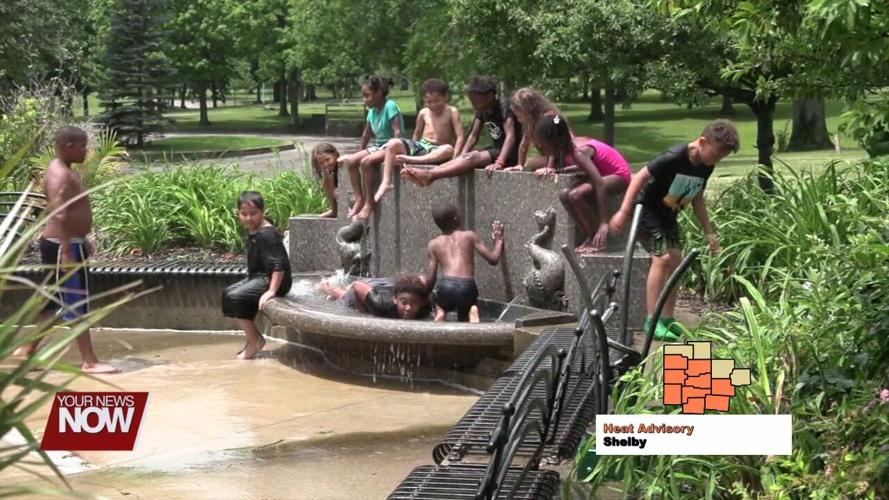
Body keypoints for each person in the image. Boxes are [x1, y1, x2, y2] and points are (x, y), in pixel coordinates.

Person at [609, 119, 740, 340]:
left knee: (677, 262)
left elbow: (697, 196)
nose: (716, 160)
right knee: (661, 259)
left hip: (669, 213)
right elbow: (639, 177)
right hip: (646, 210)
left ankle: (667, 319)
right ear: (701, 142)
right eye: (716, 154)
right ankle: (652, 319)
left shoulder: (706, 165)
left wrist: (709, 231)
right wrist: (623, 211)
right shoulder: (673, 157)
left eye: (721, 157)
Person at [13, 126, 119, 374]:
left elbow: (70, 212)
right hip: (63, 247)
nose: (86, 151)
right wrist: (67, 250)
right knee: (75, 302)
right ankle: (89, 361)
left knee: (54, 302)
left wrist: (82, 237)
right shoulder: (59, 173)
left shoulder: (62, 170)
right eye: (82, 146)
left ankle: (27, 349)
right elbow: (58, 214)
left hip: (67, 243)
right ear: (67, 146)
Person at [533, 114, 632, 253]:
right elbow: (590, 164)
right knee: (564, 194)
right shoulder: (570, 146)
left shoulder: (579, 152)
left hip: (619, 174)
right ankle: (590, 236)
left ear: (555, 140)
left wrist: (604, 223)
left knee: (576, 195)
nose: (542, 147)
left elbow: (599, 184)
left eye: (545, 143)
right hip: (603, 172)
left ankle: (600, 239)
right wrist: (566, 170)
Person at [402, 76, 520, 187]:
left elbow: (510, 137)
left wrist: (500, 162)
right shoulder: (482, 109)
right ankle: (429, 173)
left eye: (476, 101)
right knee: (467, 156)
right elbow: (473, 136)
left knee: (474, 157)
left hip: (510, 153)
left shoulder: (504, 106)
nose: (473, 104)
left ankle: (431, 175)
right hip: (496, 150)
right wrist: (461, 155)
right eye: (472, 100)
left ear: (489, 96)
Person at [222, 191, 293, 359]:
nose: (248, 218)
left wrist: (272, 290)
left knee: (234, 297)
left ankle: (255, 340)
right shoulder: (255, 230)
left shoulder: (266, 234)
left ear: (263, 211)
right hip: (261, 277)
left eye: (253, 214)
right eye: (244, 214)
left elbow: (279, 264)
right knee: (227, 294)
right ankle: (253, 339)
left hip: (274, 280)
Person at [424, 202, 504, 322]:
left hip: (446, 286)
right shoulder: (469, 236)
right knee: (467, 313)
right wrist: (498, 241)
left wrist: (425, 295)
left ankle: (441, 313)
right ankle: (471, 316)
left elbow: (432, 278)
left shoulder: (433, 244)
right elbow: (493, 259)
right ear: (456, 217)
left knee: (441, 306)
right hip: (467, 287)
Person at [339, 75, 405, 220]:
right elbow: (367, 134)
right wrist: (358, 153)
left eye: (367, 96)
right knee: (352, 162)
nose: (364, 100)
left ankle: (369, 203)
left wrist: (395, 153)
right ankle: (359, 199)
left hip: (392, 146)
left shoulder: (390, 106)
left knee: (366, 162)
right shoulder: (372, 111)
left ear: (379, 93)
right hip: (379, 145)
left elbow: (397, 131)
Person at [393, 78, 465, 166]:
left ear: (445, 97)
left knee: (448, 149)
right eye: (429, 102)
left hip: (438, 149)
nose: (434, 105)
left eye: (437, 101)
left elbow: (460, 137)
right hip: (422, 147)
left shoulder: (452, 112)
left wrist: (455, 157)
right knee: (395, 143)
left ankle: (415, 160)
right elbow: (417, 134)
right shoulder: (423, 113)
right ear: (424, 100)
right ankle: (413, 158)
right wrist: (412, 147)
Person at [317, 274, 431, 319]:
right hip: (366, 286)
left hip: (386, 284)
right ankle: (326, 287)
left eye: (414, 303)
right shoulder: (381, 305)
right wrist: (365, 313)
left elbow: (424, 279)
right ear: (396, 300)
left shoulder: (427, 306)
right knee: (345, 296)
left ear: (421, 302)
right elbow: (357, 286)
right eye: (404, 303)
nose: (409, 308)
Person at [505, 87, 565, 172]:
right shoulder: (531, 122)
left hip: (564, 157)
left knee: (530, 163)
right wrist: (519, 164)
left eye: (520, 115)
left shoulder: (551, 119)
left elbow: (554, 146)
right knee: (530, 163)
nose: (518, 119)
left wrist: (549, 168)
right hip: (551, 158)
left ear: (528, 110)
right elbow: (524, 145)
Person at [311, 143, 340, 218]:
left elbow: (338, 196)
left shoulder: (343, 167)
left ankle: (335, 211)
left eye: (328, 159)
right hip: (340, 202)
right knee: (325, 182)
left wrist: (331, 183)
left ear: (336, 154)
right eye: (321, 163)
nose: (326, 164)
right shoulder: (329, 173)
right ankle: (334, 210)